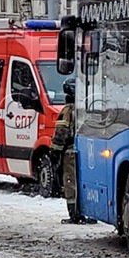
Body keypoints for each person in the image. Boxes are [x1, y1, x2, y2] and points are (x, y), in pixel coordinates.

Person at [51, 79, 87, 223]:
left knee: (70, 182)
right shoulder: (86, 108)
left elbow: (61, 132)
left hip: (70, 153)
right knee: (82, 181)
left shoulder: (68, 110)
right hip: (86, 152)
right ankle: (84, 212)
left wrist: (55, 151)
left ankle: (74, 214)